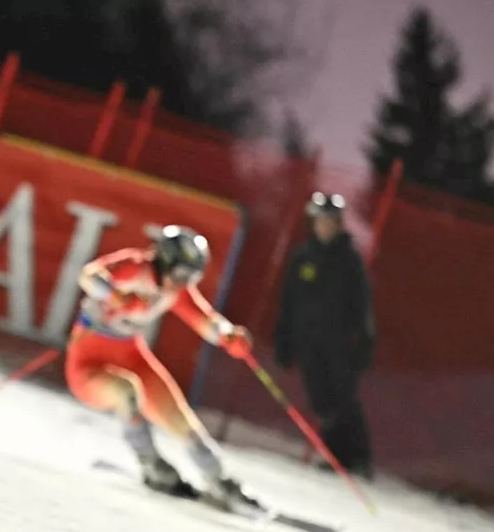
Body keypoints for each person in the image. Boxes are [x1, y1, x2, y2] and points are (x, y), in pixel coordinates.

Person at [65, 225, 262, 512]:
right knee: (127, 390)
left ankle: (217, 477)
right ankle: (151, 464)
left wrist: (228, 335)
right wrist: (115, 295)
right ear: (166, 261)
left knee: (179, 415)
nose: (182, 284)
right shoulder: (136, 267)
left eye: (192, 278)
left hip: (132, 356)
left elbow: (205, 318)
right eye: (182, 275)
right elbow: (89, 275)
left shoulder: (176, 291)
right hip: (88, 366)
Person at [273, 192, 374, 478]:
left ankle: (359, 458)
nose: (325, 227)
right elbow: (288, 300)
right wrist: (284, 339)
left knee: (344, 399)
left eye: (330, 221)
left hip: (338, 343)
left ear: (339, 224)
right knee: (321, 400)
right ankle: (335, 455)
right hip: (307, 341)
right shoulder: (302, 257)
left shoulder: (349, 260)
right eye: (320, 221)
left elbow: (361, 303)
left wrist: (365, 340)